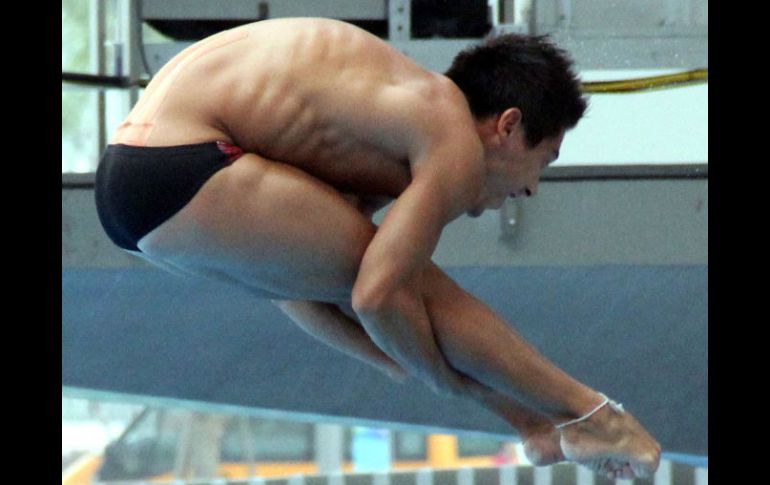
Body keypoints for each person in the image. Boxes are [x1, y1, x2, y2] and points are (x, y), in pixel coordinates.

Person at [94, 18, 660, 479]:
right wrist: (436, 375)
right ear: (508, 126)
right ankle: (595, 413)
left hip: (130, 188)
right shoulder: (450, 133)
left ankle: (534, 426)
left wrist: (396, 359)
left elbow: (300, 291)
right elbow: (377, 294)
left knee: (399, 303)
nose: (532, 188)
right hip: (185, 161)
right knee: (416, 289)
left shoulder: (366, 124)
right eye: (545, 160)